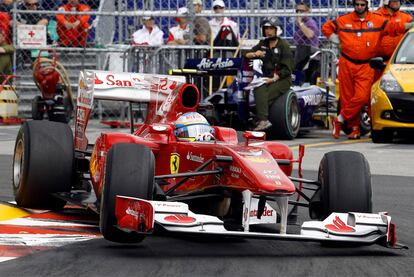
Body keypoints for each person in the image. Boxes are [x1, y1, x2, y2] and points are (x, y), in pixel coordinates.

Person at [322, 0, 411, 139]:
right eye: (357, 4)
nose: (359, 7)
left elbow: (394, 27)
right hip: (347, 63)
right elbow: (326, 27)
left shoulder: (377, 20)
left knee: (362, 96)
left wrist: (408, 25)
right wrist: (336, 40)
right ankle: (355, 129)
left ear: (367, 5)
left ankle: (339, 119)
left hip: (366, 64)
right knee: (347, 98)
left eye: (362, 5)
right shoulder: (344, 20)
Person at [244, 18, 294, 131]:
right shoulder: (263, 43)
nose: (268, 31)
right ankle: (262, 119)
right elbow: (245, 54)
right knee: (258, 88)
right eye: (266, 28)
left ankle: (261, 119)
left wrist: (274, 79)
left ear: (278, 30)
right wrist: (254, 54)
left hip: (282, 79)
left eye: (271, 28)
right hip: (265, 78)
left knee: (264, 97)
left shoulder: (284, 46)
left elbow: (287, 69)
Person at [373, 0, 412, 80]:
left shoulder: (406, 18)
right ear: (386, 2)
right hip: (377, 63)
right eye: (394, 1)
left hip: (399, 64)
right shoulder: (375, 16)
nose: (397, 2)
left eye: (398, 1)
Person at [293, 2, 320, 85]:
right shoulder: (300, 23)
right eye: (297, 11)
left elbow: (310, 34)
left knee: (305, 79)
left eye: (302, 11)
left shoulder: (310, 23)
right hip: (302, 53)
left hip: (309, 55)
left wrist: (300, 23)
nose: (299, 13)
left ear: (308, 11)